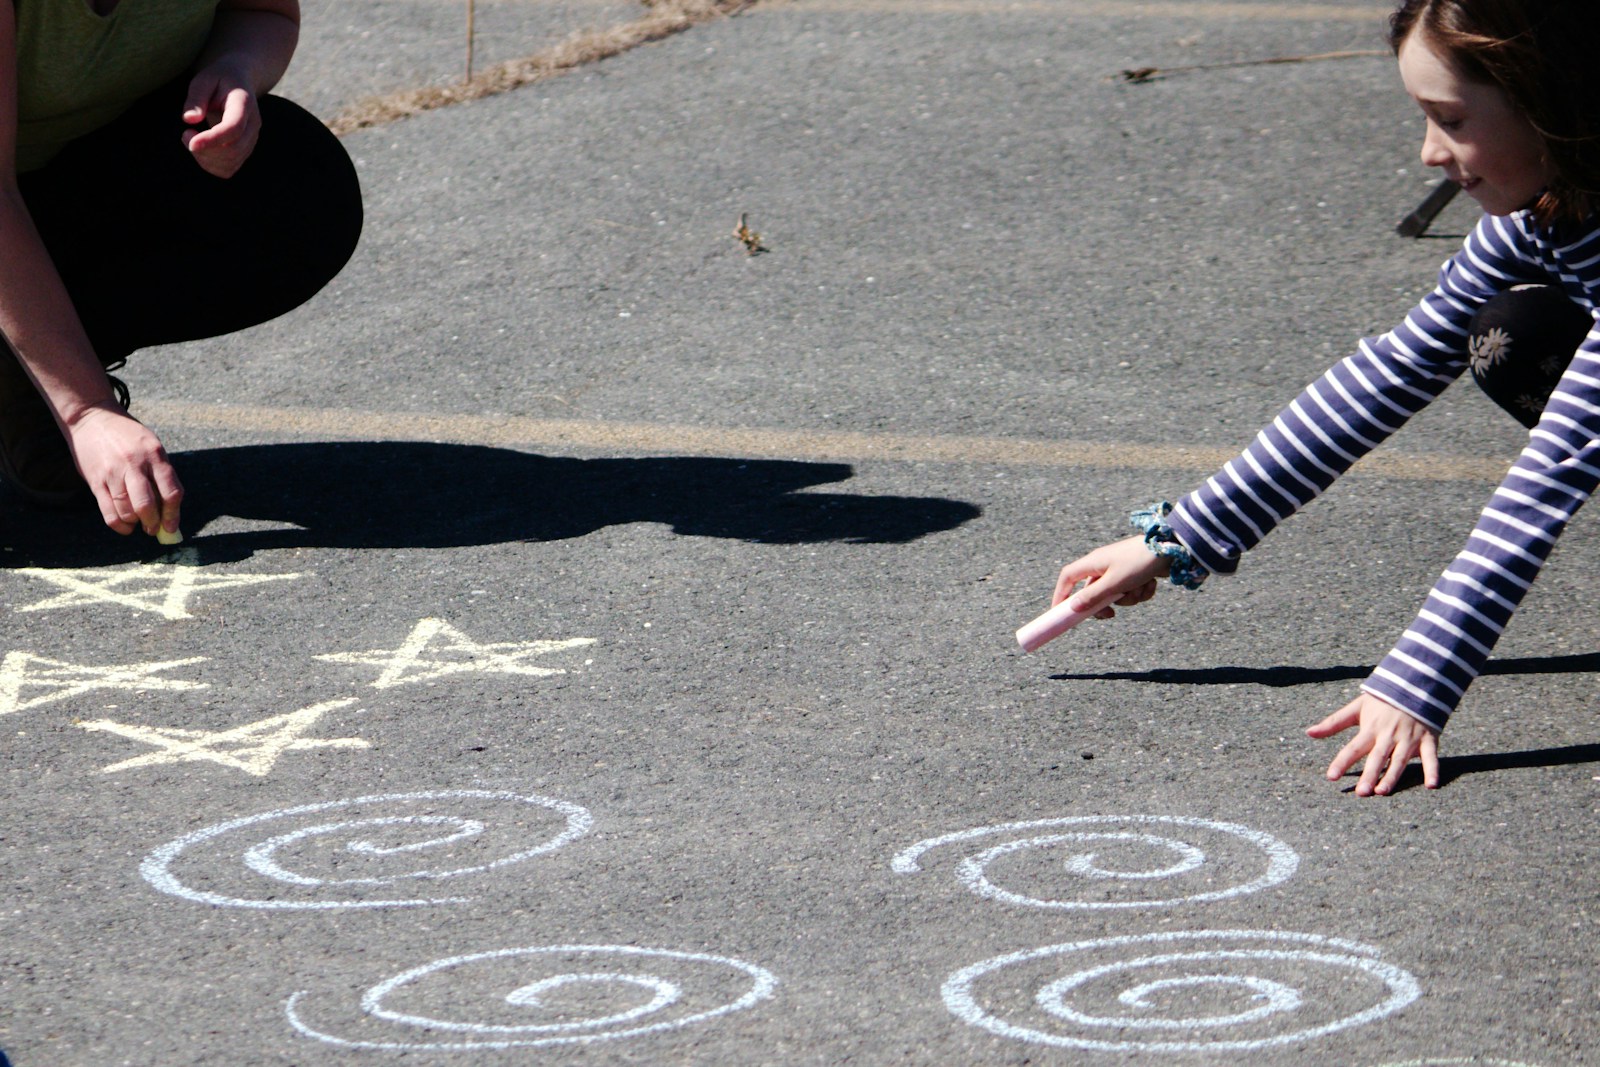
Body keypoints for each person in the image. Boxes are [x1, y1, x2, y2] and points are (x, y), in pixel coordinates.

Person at [1050, 0, 1600, 798]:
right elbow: (1388, 374)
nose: (1427, 152)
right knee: (1514, 334)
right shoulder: (1545, 213)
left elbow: (1549, 475)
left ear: (1554, 102)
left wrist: (1419, 680)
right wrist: (1177, 539)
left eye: (1449, 118)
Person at [0, 0, 362, 538]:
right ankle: (45, 376)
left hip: (58, 180)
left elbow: (267, 13)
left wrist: (234, 66)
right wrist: (87, 410)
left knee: (298, 181)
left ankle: (18, 376)